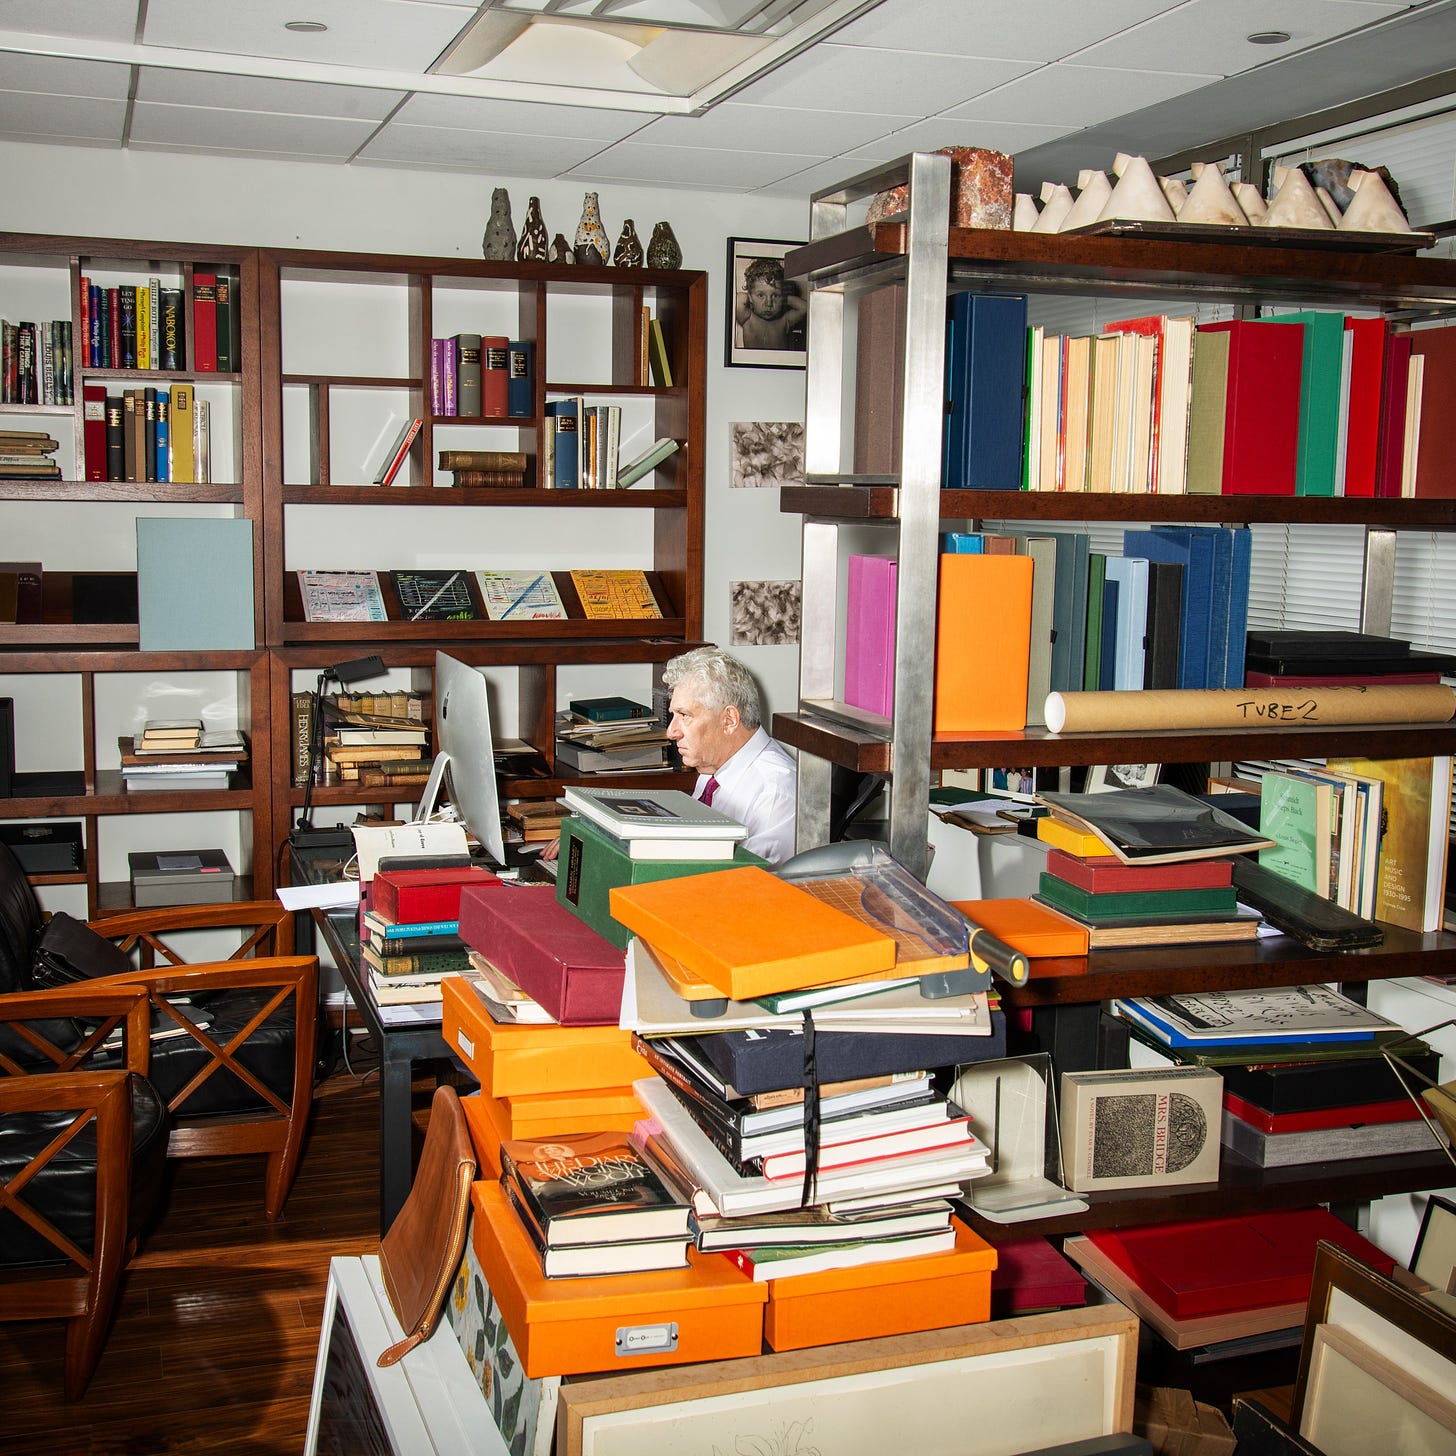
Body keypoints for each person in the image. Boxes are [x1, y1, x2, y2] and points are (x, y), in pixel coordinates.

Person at [662, 645, 797, 866]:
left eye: (685, 715)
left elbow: (746, 888)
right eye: (674, 716)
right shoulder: (712, 769)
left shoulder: (776, 794)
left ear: (729, 720)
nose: (671, 732)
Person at [735, 257, 807, 352]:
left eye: (775, 295)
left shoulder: (784, 320)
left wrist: (783, 298)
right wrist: (750, 297)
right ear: (750, 297)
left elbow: (804, 307)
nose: (769, 303)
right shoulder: (747, 318)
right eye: (761, 295)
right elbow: (738, 299)